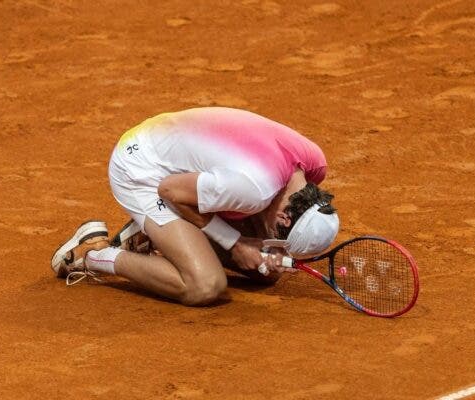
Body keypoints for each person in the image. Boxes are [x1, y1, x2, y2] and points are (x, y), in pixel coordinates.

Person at [50, 107, 339, 306]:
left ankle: (153, 235)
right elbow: (169, 190)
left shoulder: (313, 164)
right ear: (286, 218)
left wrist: (260, 248)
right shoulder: (253, 189)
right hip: (142, 170)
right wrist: (235, 244)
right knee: (205, 285)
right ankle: (93, 255)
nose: (277, 242)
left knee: (266, 268)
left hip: (177, 155)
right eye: (281, 237)